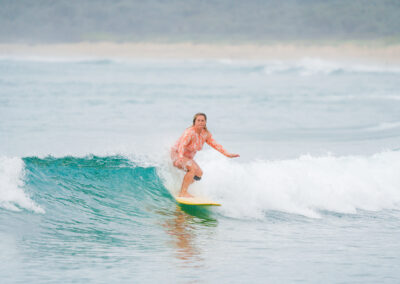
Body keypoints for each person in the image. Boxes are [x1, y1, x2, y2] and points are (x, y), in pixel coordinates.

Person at [171, 113, 240, 197]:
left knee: (199, 174)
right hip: (177, 155)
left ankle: (182, 189)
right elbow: (182, 145)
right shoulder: (189, 132)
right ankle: (183, 192)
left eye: (202, 120)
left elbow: (216, 145)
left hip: (187, 158)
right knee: (192, 169)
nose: (200, 122)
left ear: (205, 122)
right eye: (198, 120)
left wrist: (227, 154)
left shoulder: (205, 134)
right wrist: (180, 157)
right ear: (194, 122)